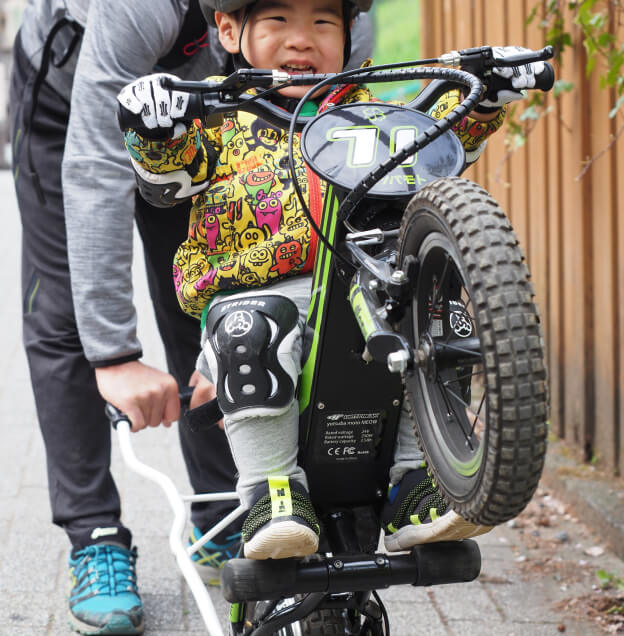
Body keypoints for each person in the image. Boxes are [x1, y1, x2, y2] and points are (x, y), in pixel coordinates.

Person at [119, 0, 544, 562]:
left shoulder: (370, 113)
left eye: (324, 23)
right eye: (278, 22)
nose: (302, 40)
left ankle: (416, 480)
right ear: (227, 29)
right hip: (263, 295)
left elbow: (440, 139)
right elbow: (168, 174)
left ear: (349, 33)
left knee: (440, 315)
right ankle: (274, 491)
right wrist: (152, 123)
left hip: (368, 287)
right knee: (248, 329)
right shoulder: (215, 118)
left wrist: (485, 93)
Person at [9, 0, 373, 634]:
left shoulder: (345, 19)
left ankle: (223, 515)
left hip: (218, 114)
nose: (308, 32)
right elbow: (97, 159)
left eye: (321, 18)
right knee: (72, 319)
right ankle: (95, 535)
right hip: (74, 101)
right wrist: (116, 355)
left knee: (221, 283)